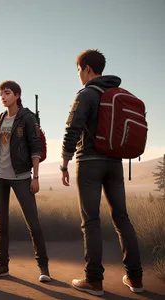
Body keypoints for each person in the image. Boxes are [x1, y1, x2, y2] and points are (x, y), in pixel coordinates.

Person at [61, 49, 143, 296]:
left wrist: (65, 162)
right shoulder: (115, 93)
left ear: (86, 69)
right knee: (122, 218)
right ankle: (136, 279)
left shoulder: (86, 94)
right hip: (115, 163)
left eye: (78, 71)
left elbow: (72, 127)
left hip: (89, 162)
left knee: (91, 221)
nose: (79, 76)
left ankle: (94, 281)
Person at [0, 80, 51, 282]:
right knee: (1, 224)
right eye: (1, 94)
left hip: (21, 177)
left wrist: (36, 177)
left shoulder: (27, 118)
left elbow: (35, 147)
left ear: (17, 95)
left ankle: (44, 267)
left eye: (7, 93)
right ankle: (1, 266)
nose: (3, 97)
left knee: (33, 223)